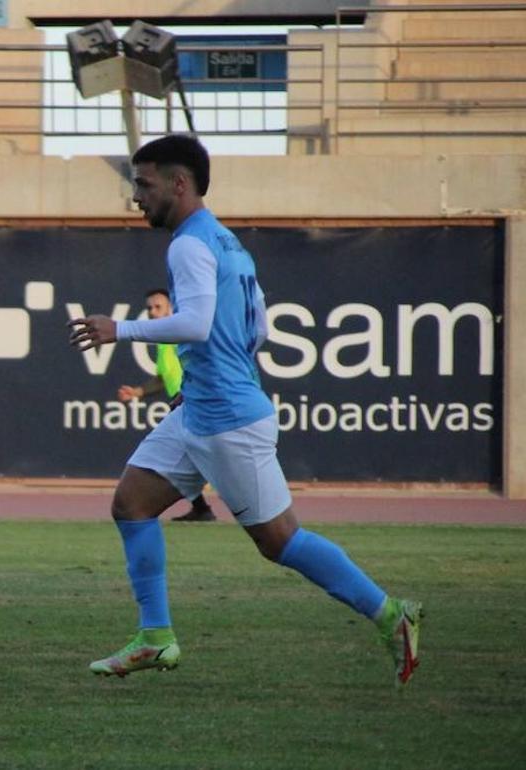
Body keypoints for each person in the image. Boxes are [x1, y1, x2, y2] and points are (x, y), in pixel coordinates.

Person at [67, 135, 420, 685]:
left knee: (280, 541)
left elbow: (198, 324)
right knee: (132, 502)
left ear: (178, 184)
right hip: (203, 408)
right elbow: (255, 327)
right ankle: (155, 638)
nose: (136, 196)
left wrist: (121, 329)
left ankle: (390, 614)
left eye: (144, 184)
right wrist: (206, 374)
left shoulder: (187, 245)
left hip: (228, 418)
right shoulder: (228, 242)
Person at [117, 288, 215, 522]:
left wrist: (192, 390)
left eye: (158, 306)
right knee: (189, 454)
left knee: (192, 455)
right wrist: (138, 392)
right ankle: (202, 508)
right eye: (149, 308)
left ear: (172, 308)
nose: (152, 312)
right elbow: (163, 378)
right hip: (183, 404)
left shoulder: (181, 333)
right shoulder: (163, 341)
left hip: (196, 402)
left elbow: (205, 362)